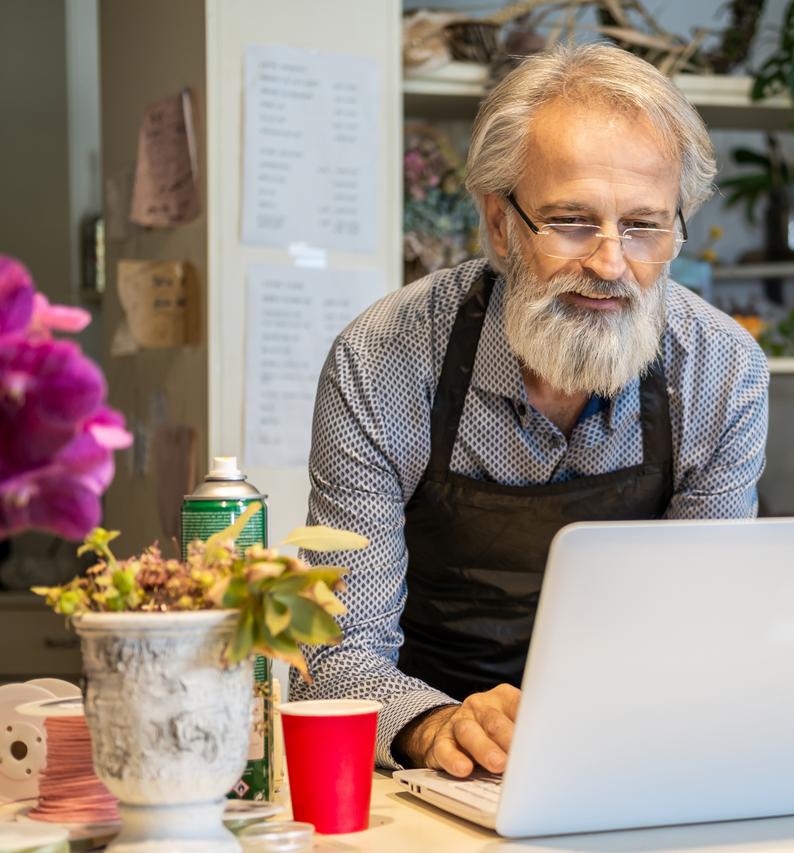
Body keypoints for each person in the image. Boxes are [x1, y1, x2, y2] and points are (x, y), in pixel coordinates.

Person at [291, 42, 769, 777]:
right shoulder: (383, 359)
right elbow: (334, 654)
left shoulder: (721, 370)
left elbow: (699, 634)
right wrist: (438, 726)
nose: (610, 263)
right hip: (433, 767)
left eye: (644, 225)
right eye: (572, 220)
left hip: (629, 754)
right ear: (500, 223)